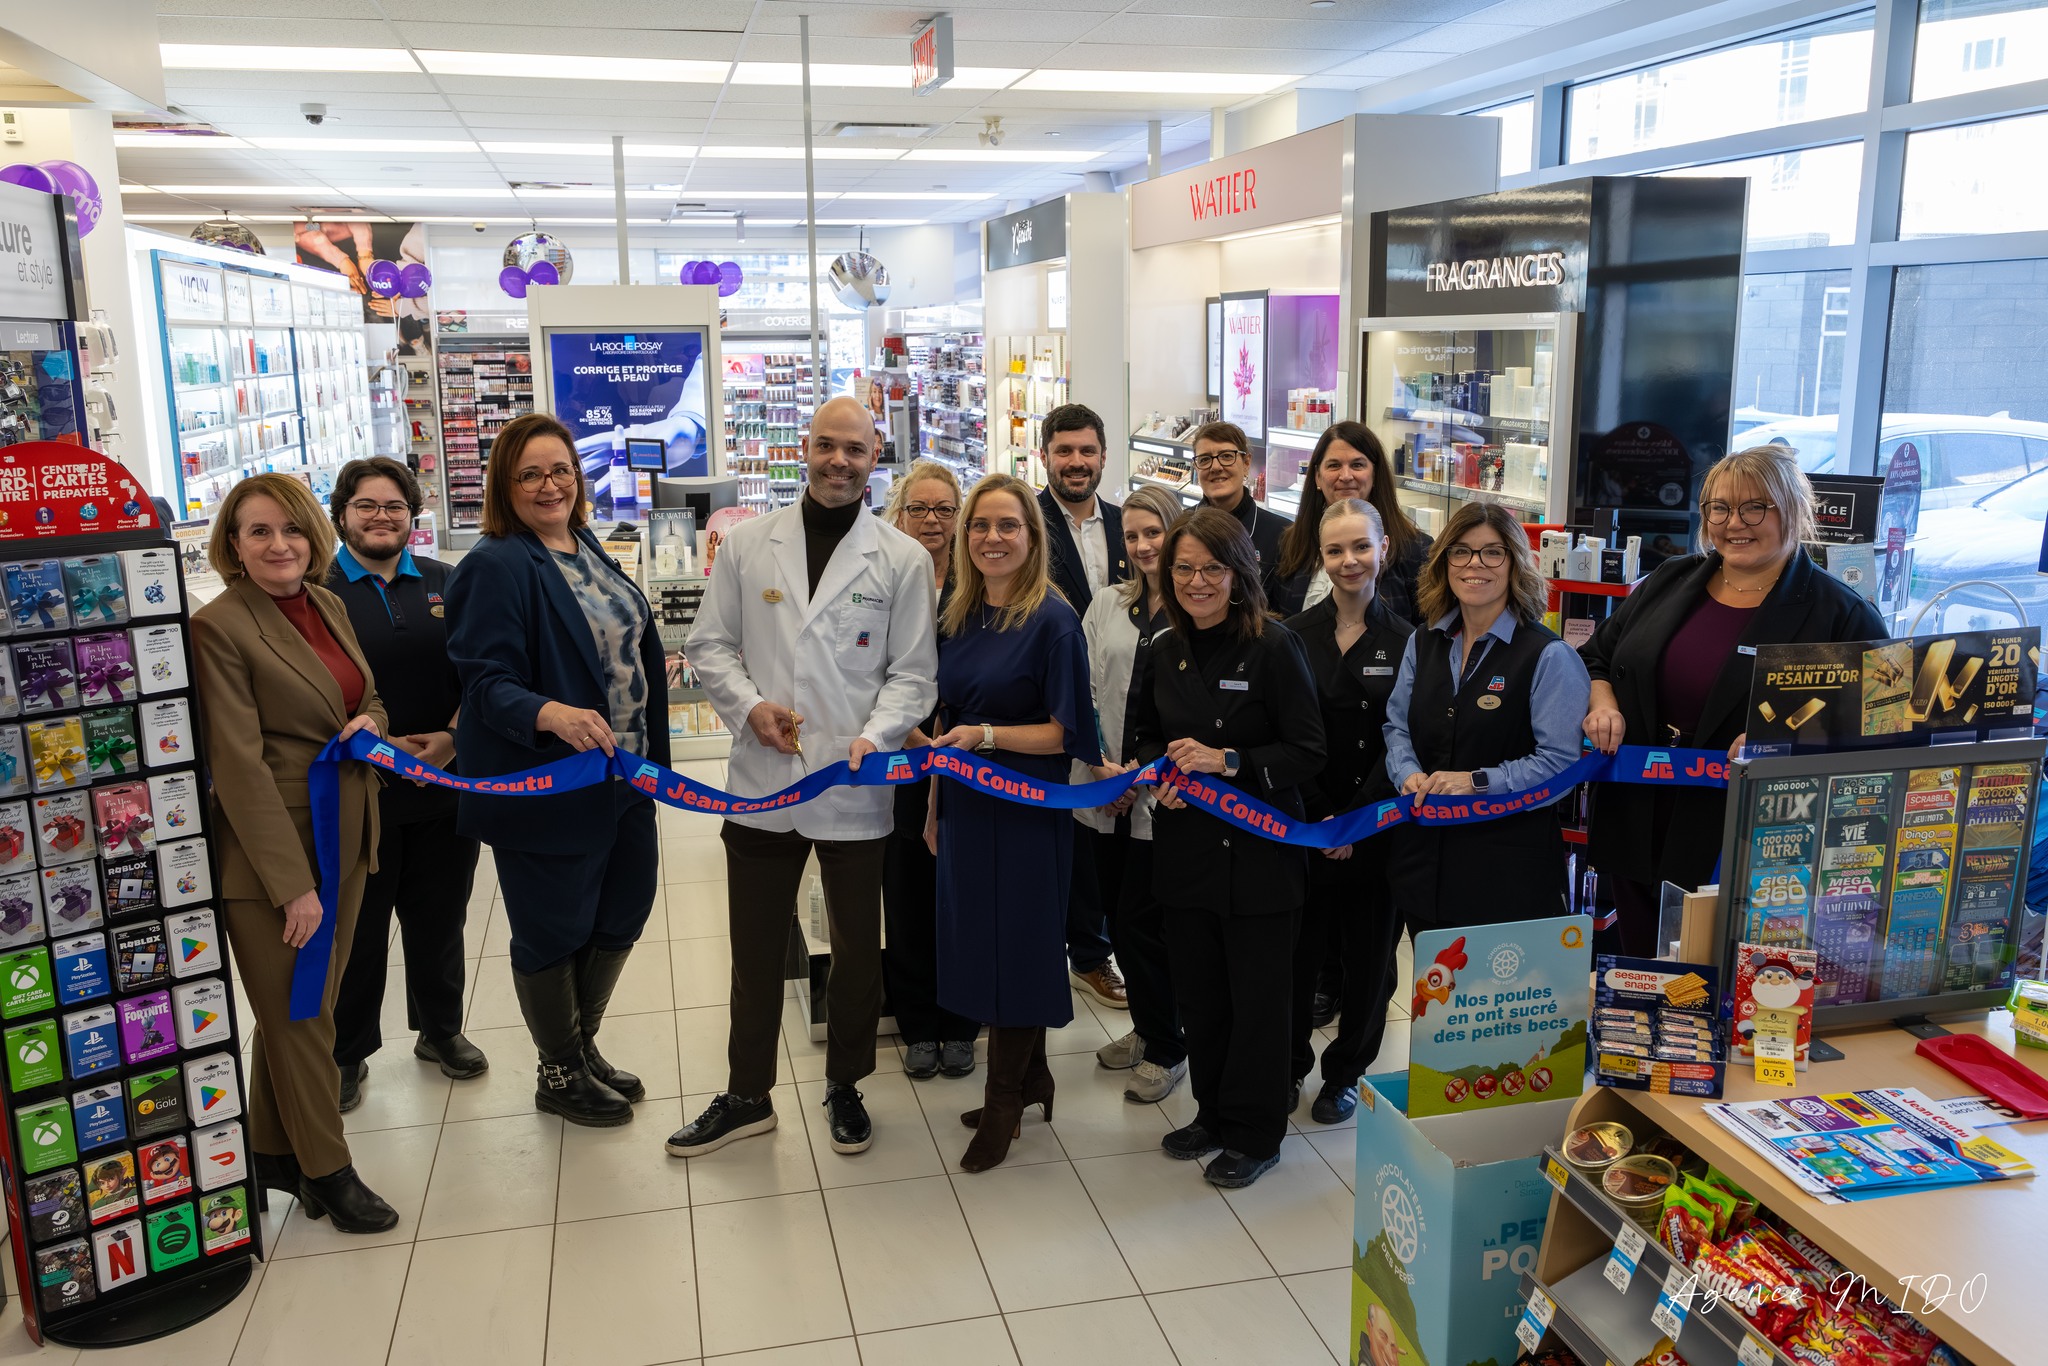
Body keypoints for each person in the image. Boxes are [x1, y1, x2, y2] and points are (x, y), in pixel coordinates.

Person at [674, 396, 939, 1158]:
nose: (839, 462)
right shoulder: (750, 544)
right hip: (762, 780)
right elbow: (710, 644)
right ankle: (746, 1094)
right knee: (755, 949)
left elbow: (914, 676)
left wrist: (876, 735)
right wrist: (751, 707)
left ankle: (846, 1084)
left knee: (858, 951)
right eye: (827, 446)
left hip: (855, 787)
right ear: (804, 448)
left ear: (874, 455)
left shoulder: (902, 559)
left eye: (855, 450)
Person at [445, 411, 666, 1128]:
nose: (549, 485)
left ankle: (582, 1044)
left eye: (561, 470)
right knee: (552, 927)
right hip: (550, 784)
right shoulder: (495, 562)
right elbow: (485, 681)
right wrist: (550, 714)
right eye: (531, 474)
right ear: (505, 486)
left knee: (622, 910)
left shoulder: (584, 544)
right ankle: (557, 1071)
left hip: (625, 777)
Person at [192, 473, 396, 1233]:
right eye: (258, 532)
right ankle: (329, 1170)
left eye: (291, 529)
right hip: (276, 860)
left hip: (342, 836)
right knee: (302, 1018)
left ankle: (274, 1153)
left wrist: (371, 722)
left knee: (296, 1009)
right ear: (233, 546)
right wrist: (291, 888)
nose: (279, 545)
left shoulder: (328, 605)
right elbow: (237, 769)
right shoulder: (220, 627)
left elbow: (362, 698)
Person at [1580, 447, 1885, 954]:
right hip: (1636, 813)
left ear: (1792, 509)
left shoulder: (1842, 615)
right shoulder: (1668, 581)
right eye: (1719, 509)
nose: (1734, 524)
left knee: (1713, 987)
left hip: (1745, 838)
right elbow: (1596, 659)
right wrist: (1602, 701)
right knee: (1635, 974)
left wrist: (1793, 739)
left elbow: (1881, 725)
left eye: (1755, 508)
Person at [1129, 508, 1325, 1189]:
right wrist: (1165, 776)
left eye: (1212, 568)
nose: (1196, 581)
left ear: (1240, 573)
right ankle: (1212, 1113)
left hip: (1262, 860)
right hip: (1187, 857)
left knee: (1260, 1005)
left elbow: (1308, 752)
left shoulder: (1274, 647)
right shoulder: (1161, 648)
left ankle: (1256, 1131)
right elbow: (1144, 738)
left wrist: (1230, 760)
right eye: (1183, 568)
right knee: (1204, 999)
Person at [926, 473, 1100, 1173]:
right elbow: (945, 716)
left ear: (1033, 538)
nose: (992, 539)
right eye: (980, 527)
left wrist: (989, 735)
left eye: (1008, 527)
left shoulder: (1054, 621)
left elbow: (1066, 733)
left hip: (1028, 808)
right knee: (978, 943)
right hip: (968, 804)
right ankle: (1031, 1079)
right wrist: (937, 803)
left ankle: (1004, 1103)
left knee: (1021, 950)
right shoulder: (959, 611)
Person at [324, 458, 487, 1113]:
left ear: (412, 515)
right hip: (359, 791)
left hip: (443, 784)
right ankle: (347, 1052)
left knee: (439, 918)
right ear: (342, 515)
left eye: (394, 506)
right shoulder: (318, 592)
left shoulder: (449, 581)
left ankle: (440, 1030)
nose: (381, 517)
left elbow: (482, 672)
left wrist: (453, 737)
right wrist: (368, 742)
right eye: (367, 506)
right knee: (357, 931)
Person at [1384, 501, 1592, 927]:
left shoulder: (1550, 656)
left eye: (1492, 552)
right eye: (1460, 551)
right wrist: (1406, 772)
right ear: (1444, 563)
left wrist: (1476, 782)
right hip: (1424, 862)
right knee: (1435, 987)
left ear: (1516, 563)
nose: (1474, 564)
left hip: (1509, 873)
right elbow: (1397, 725)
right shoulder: (1423, 641)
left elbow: (1559, 766)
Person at [1282, 499, 1414, 1124]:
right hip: (1301, 824)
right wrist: (1316, 818)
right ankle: (1285, 1069)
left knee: (1369, 969)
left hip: (1376, 826)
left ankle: (1344, 1074)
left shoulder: (1412, 641)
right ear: (1320, 554)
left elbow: (1404, 739)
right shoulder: (1291, 634)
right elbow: (1281, 731)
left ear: (1383, 547)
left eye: (1360, 546)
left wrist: (1354, 820)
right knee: (1293, 960)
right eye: (1335, 550)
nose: (1348, 561)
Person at [1078, 484, 1188, 1102]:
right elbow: (1087, 690)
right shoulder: (1108, 605)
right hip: (1104, 790)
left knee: (1150, 925)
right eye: (1134, 536)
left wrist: (1138, 776)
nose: (1145, 546)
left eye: (1156, 534)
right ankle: (1147, 1030)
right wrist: (1102, 767)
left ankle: (1170, 1045)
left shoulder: (1196, 606)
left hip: (1161, 800)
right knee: (1118, 920)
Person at [877, 461, 979, 1080]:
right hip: (905, 759)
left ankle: (962, 1022)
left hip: (970, 761)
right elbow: (864, 668)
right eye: (921, 509)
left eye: (945, 510)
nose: (934, 521)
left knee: (962, 894)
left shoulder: (980, 580)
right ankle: (918, 1025)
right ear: (901, 513)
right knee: (908, 891)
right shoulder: (885, 575)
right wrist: (913, 737)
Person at [1035, 404, 1130, 1012]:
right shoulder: (1025, 522)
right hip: (1049, 699)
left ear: (1102, 455)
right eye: (1064, 451)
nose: (1076, 462)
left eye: (1087, 451)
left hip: (1120, 697)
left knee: (1110, 841)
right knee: (1065, 836)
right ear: (1043, 456)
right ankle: (1085, 955)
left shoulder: (1128, 523)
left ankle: (1102, 949)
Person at [1272, 422, 1434, 624]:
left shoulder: (1416, 550)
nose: (1346, 476)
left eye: (1357, 465)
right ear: (1317, 476)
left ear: (1375, 474)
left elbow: (1426, 639)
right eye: (1334, 465)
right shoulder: (1291, 543)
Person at [1191, 420, 1290, 605]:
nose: (1216, 467)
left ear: (1246, 463)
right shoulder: (1180, 527)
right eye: (1204, 459)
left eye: (1227, 456)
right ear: (1196, 468)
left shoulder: (1282, 534)